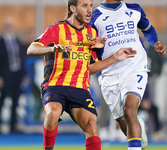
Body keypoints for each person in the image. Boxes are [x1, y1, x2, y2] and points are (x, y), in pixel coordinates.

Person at [27, 0, 136, 149]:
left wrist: (115, 57)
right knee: (52, 113)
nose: (90, 10)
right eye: (84, 6)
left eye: (91, 5)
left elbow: (90, 68)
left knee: (91, 125)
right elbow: (31, 49)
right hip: (55, 85)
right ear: (73, 8)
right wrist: (52, 49)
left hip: (80, 88)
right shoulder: (56, 29)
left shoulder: (91, 34)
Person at [89, 0, 166, 150]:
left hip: (135, 67)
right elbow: (91, 48)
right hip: (109, 73)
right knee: (124, 123)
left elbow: (147, 29)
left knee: (129, 110)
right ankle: (139, 130)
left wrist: (155, 42)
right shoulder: (94, 16)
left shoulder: (134, 8)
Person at [0, 18, 26, 133]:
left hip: (16, 75)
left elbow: (21, 58)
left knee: (15, 101)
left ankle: (13, 126)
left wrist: (23, 74)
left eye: (10, 25)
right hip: (5, 75)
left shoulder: (17, 41)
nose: (8, 27)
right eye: (6, 25)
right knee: (2, 100)